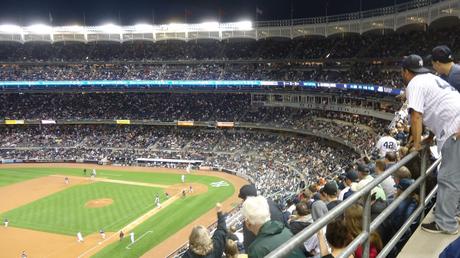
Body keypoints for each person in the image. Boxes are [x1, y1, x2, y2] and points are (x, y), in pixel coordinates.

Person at [401, 54, 460, 234]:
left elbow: (417, 115)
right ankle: (453, 212)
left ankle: (446, 224)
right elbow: (438, 110)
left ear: (405, 72)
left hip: (455, 128)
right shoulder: (430, 78)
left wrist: (417, 144)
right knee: (454, 176)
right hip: (454, 123)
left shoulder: (414, 83)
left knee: (448, 179)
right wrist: (430, 137)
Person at [238, 184, 285, 251]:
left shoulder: (249, 217)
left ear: (246, 199)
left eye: (243, 199)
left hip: (268, 250)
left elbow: (249, 246)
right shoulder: (271, 203)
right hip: (283, 240)